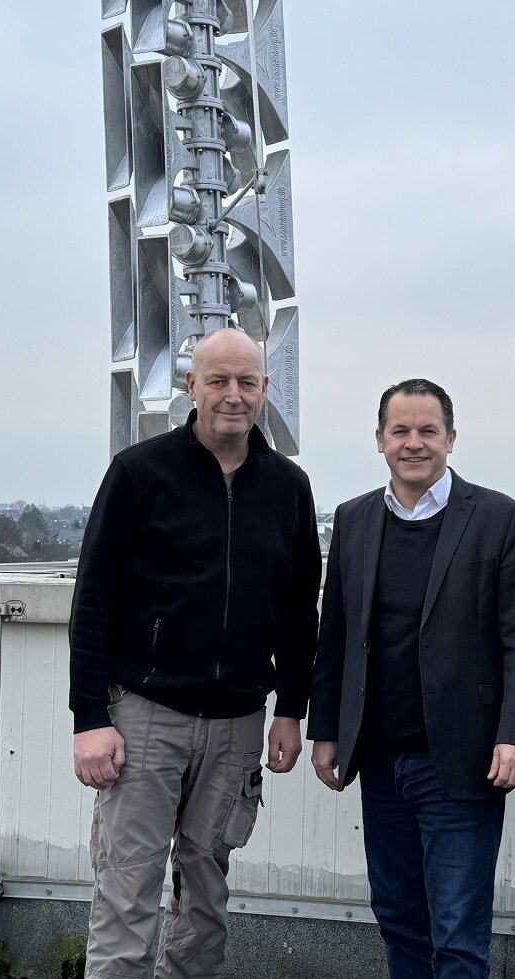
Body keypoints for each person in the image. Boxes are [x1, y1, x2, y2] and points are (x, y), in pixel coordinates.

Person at [68, 327, 322, 979]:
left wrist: (291, 708)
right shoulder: (140, 473)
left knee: (204, 902)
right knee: (127, 897)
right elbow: (93, 599)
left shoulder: (289, 488)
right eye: (218, 380)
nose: (232, 395)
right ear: (192, 387)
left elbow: (299, 610)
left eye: (247, 382)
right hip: (145, 719)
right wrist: (89, 717)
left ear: (265, 390)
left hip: (238, 727)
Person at [308, 378, 515, 979]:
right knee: (398, 921)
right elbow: (335, 634)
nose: (413, 443)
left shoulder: (499, 519)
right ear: (380, 440)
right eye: (400, 431)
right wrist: (327, 730)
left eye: (428, 431)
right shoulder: (354, 520)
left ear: (451, 438)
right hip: (380, 762)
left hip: (463, 763)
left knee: (458, 936)